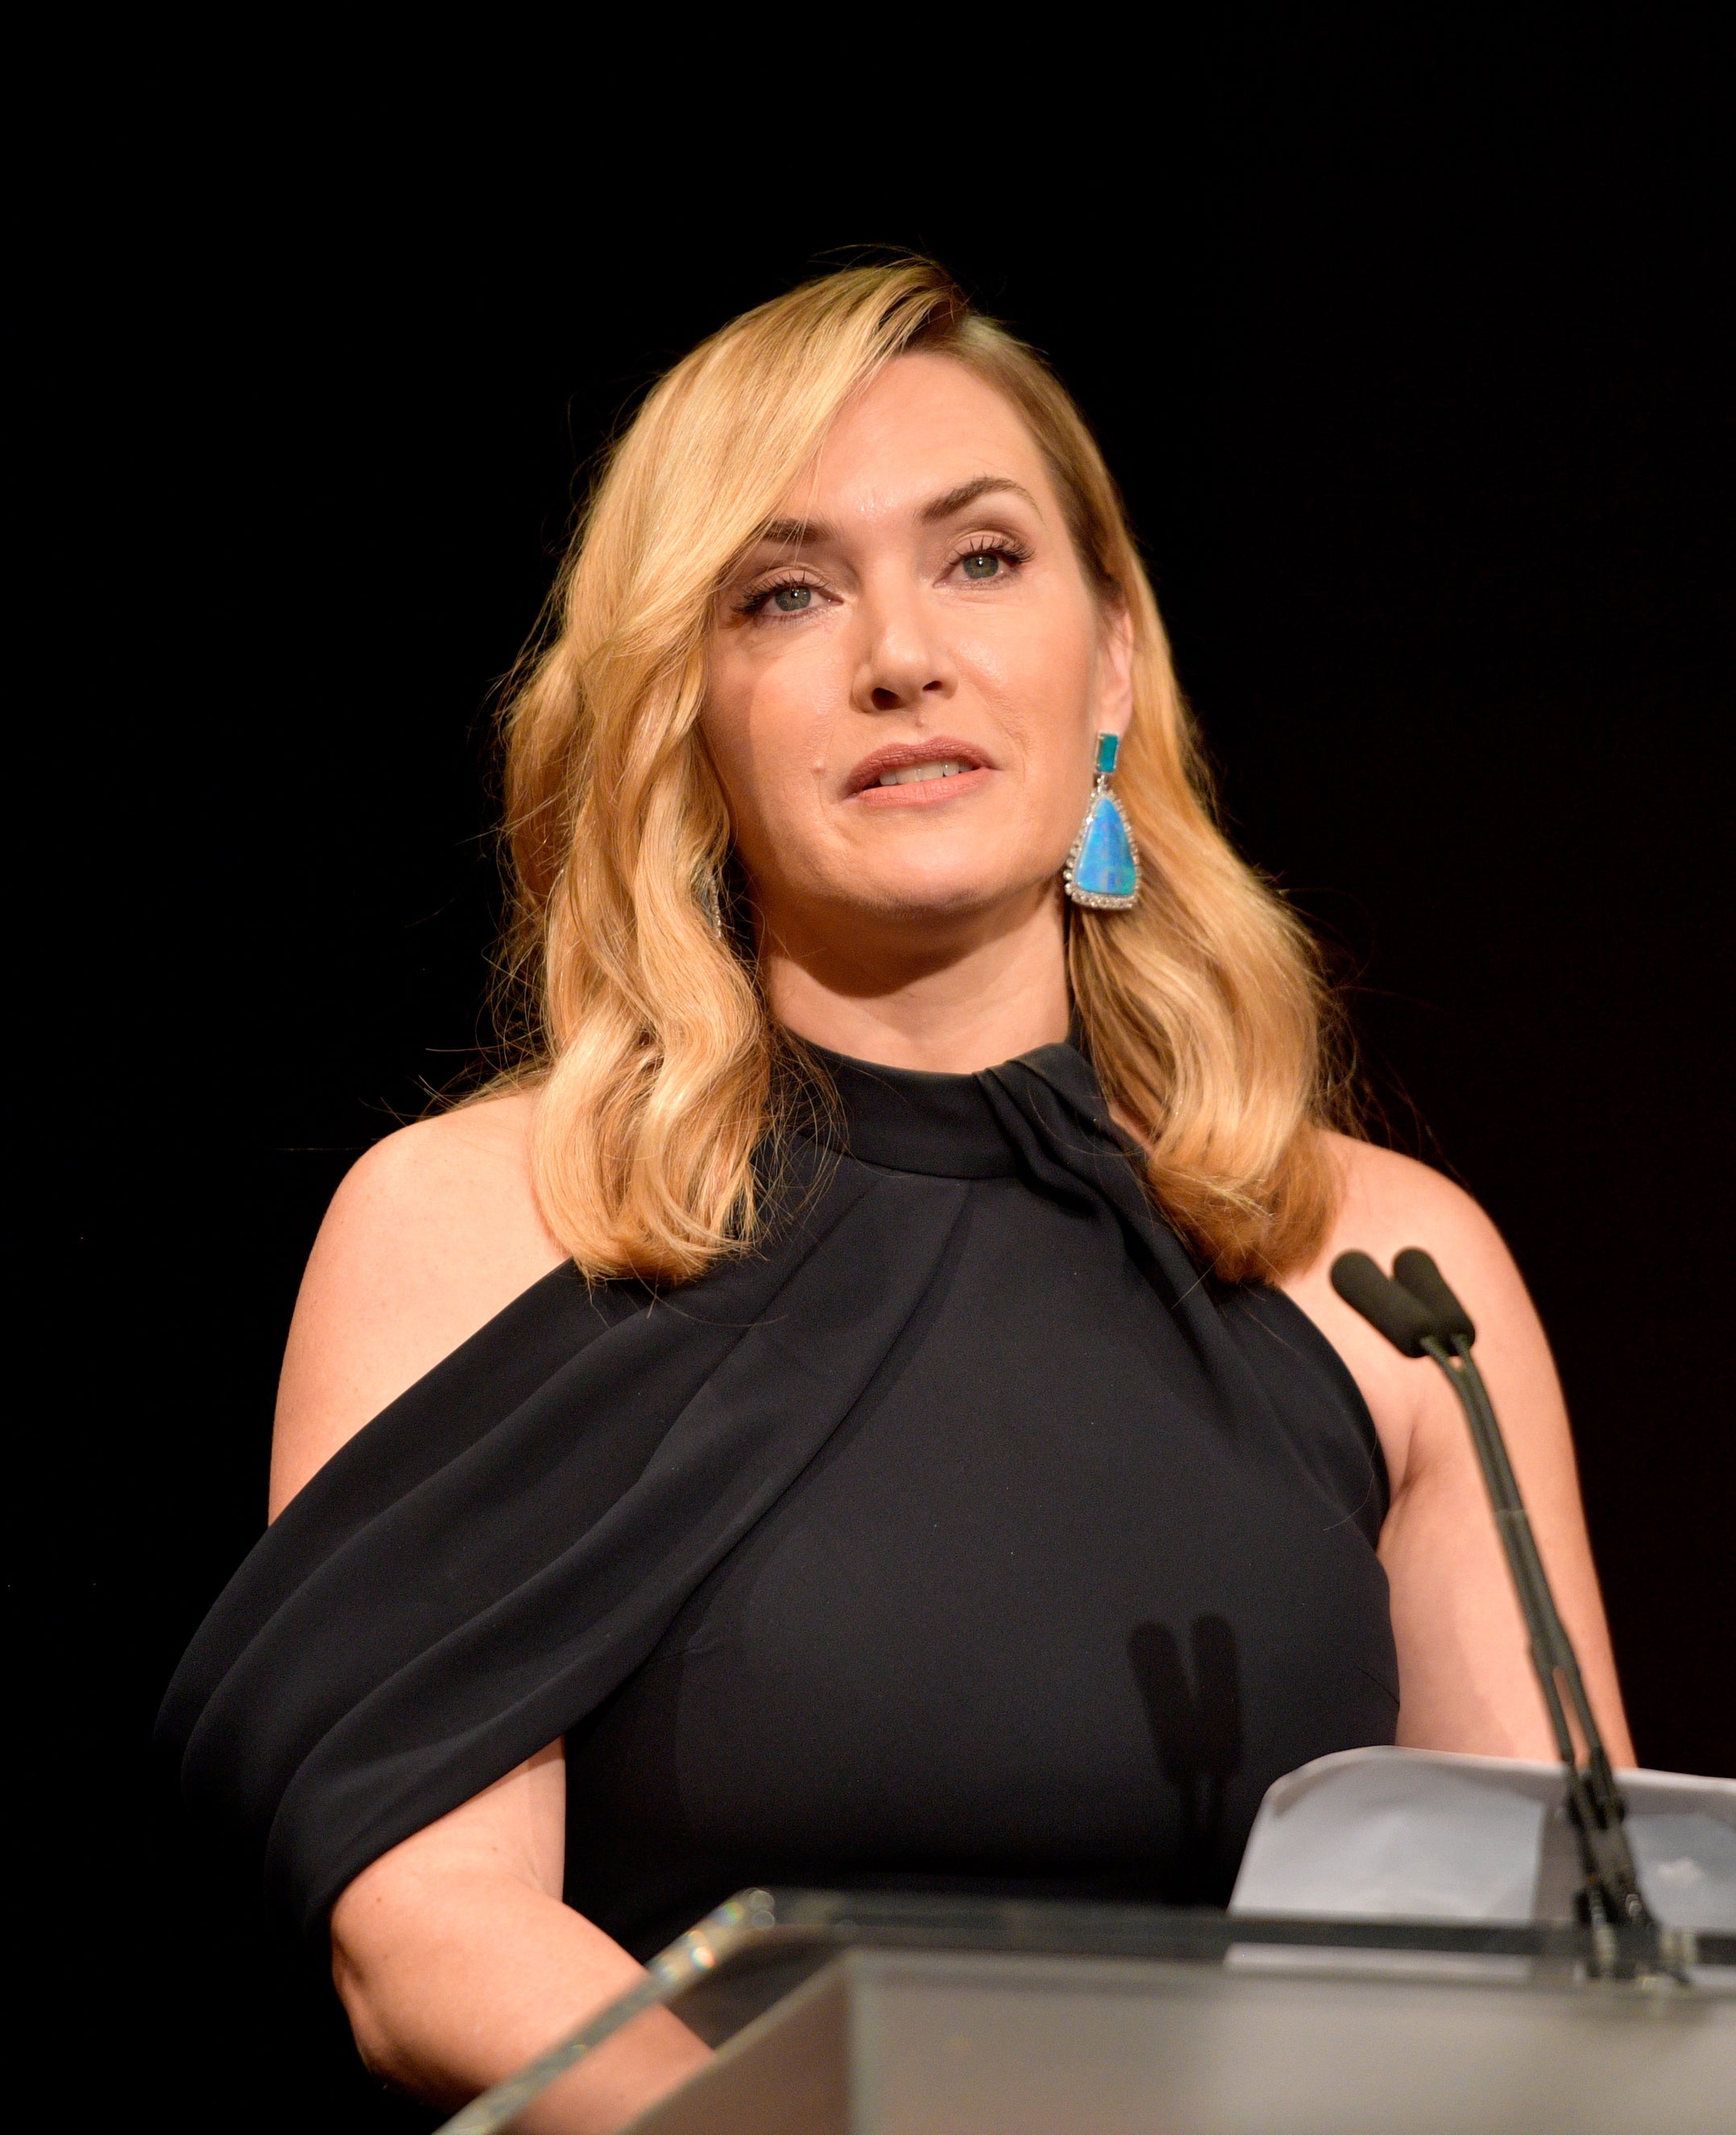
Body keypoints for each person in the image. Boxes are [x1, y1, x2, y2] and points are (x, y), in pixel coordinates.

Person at [160, 260, 1632, 2133]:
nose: (899, 655)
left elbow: (1575, 1983)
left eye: (982, 558)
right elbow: (431, 1932)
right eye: (784, 591)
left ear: (1111, 665)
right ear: (684, 712)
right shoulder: (494, 1222)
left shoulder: (1382, 1264)